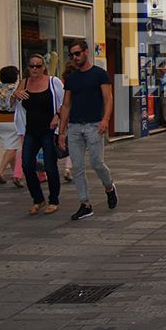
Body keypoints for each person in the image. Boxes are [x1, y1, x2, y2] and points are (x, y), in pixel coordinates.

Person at [58, 40, 117, 221]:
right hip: (75, 127)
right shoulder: (71, 79)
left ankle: (109, 187)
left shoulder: (99, 74)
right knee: (77, 167)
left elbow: (108, 99)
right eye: (72, 55)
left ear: (86, 52)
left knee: (97, 163)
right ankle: (85, 204)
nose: (75, 58)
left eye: (77, 54)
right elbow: (66, 105)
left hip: (94, 125)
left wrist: (105, 120)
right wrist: (62, 131)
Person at [14, 55, 64, 215]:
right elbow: (13, 106)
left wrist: (57, 116)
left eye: (38, 66)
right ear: (28, 68)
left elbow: (65, 103)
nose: (34, 69)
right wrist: (15, 95)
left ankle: (54, 200)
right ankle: (38, 199)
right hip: (31, 130)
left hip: (49, 131)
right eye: (31, 66)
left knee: (50, 166)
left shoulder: (53, 82)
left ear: (44, 67)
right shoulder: (25, 83)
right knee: (27, 165)